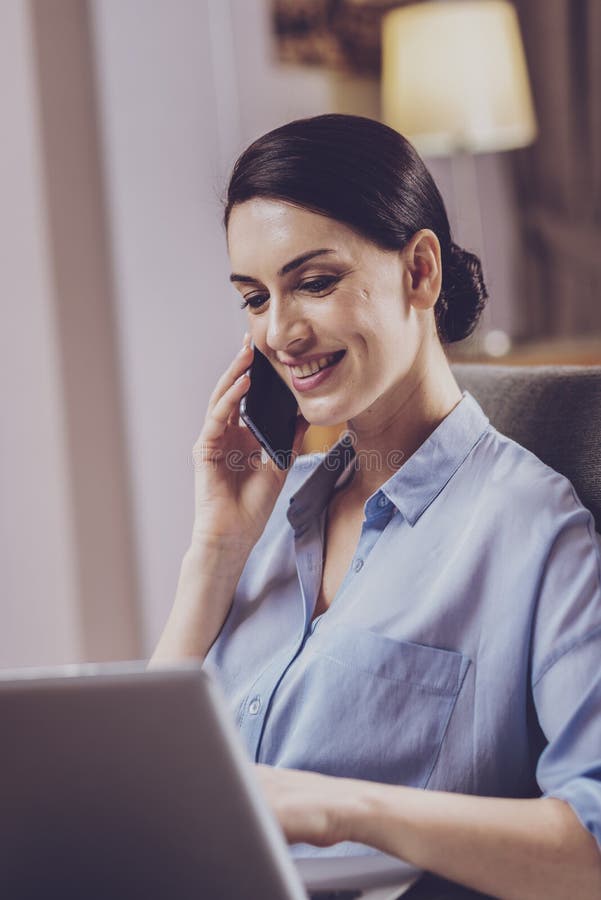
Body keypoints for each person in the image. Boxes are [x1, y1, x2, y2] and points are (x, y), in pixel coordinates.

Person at [151, 114, 601, 898]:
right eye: (254, 298)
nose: (279, 333)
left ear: (419, 272)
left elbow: (590, 848)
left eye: (313, 283)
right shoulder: (263, 512)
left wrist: (340, 808)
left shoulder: (531, 529)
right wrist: (213, 555)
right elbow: (138, 793)